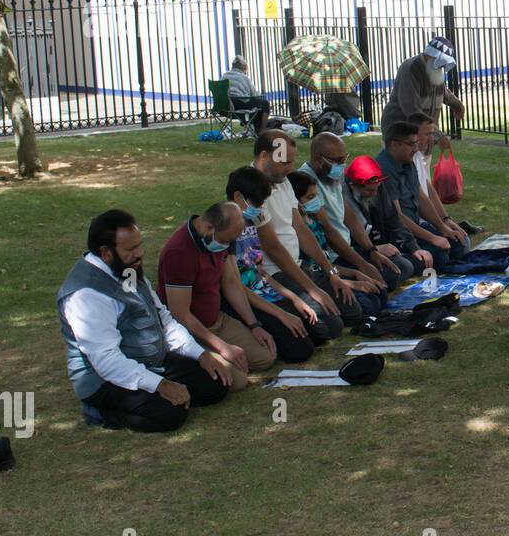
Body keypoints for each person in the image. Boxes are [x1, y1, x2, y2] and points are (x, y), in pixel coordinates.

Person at [57, 209, 233, 432]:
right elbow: (106, 361)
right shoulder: (86, 295)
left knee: (215, 384)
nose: (140, 253)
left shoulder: (127, 268)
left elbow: (164, 320)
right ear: (105, 252)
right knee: (171, 414)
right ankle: (100, 412)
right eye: (131, 249)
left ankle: (166, 392)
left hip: (151, 360)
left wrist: (200, 354)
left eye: (139, 245)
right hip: (106, 379)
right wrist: (159, 384)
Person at [156, 201, 279, 391]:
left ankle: (222, 354)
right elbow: (180, 314)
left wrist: (254, 325)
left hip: (218, 320)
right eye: (225, 241)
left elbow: (230, 283)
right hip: (191, 330)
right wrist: (221, 346)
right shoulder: (179, 253)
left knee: (266, 356)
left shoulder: (220, 238)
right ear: (208, 227)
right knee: (236, 381)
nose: (227, 247)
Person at [252, 129, 364, 335]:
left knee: (354, 312)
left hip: (299, 267)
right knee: (329, 328)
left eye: (291, 162)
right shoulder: (252, 188)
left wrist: (331, 273)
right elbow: (273, 248)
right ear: (264, 156)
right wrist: (313, 289)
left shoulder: (283, 182)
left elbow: (301, 229)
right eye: (284, 162)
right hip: (276, 273)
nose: (290, 168)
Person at [223, 166, 319, 362]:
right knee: (300, 349)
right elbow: (236, 286)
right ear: (238, 196)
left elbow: (260, 272)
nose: (259, 208)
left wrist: (293, 298)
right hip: (244, 300)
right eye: (257, 202)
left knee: (317, 329)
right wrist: (280, 313)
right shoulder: (225, 230)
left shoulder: (251, 222)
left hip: (263, 292)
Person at [298, 131, 400, 292]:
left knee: (397, 268)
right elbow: (329, 232)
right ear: (318, 158)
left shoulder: (331, 174)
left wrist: (371, 250)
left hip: (348, 248)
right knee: (375, 294)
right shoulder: (307, 181)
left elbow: (349, 215)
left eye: (345, 158)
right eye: (338, 160)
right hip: (332, 256)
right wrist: (362, 265)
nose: (342, 164)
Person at [287, 170, 386, 316]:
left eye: (316, 196)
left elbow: (327, 264)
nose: (316, 202)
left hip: (332, 274)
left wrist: (356, 273)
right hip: (317, 279)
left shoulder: (315, 222)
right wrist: (352, 284)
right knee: (366, 304)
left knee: (380, 293)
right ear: (296, 201)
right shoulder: (297, 232)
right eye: (310, 197)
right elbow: (315, 271)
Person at [375, 120, 467, 274]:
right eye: (411, 144)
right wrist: (432, 238)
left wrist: (442, 227)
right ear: (394, 145)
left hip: (416, 226)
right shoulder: (384, 169)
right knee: (440, 255)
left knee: (459, 243)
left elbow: (422, 197)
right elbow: (397, 217)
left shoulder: (407, 160)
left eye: (416, 143)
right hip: (398, 234)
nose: (416, 149)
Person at [344, 155, 416, 292]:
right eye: (369, 191)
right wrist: (374, 249)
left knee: (418, 261)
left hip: (377, 247)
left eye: (377, 189)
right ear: (353, 186)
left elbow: (393, 220)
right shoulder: (344, 199)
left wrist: (414, 247)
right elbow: (344, 240)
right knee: (401, 268)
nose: (374, 194)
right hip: (356, 254)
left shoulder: (378, 188)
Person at [380, 36, 464, 150]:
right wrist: (438, 136)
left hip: (423, 135)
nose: (443, 67)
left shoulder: (433, 68)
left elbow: (441, 90)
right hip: (401, 134)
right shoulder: (410, 69)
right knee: (402, 166)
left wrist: (456, 104)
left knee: (421, 166)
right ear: (430, 55)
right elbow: (412, 111)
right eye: (442, 62)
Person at [410, 111, 470, 254]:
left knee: (463, 242)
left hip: (427, 219)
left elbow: (429, 190)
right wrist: (441, 227)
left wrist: (446, 219)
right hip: (416, 223)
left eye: (432, 134)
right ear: (413, 134)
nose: (432, 140)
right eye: (427, 134)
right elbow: (420, 199)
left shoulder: (418, 157)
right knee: (452, 249)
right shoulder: (406, 160)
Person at [221, 55, 271, 133]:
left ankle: (249, 128)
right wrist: (261, 96)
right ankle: (261, 131)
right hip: (240, 106)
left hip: (225, 107)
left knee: (256, 104)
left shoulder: (225, 75)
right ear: (244, 68)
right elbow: (255, 95)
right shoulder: (244, 77)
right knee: (264, 104)